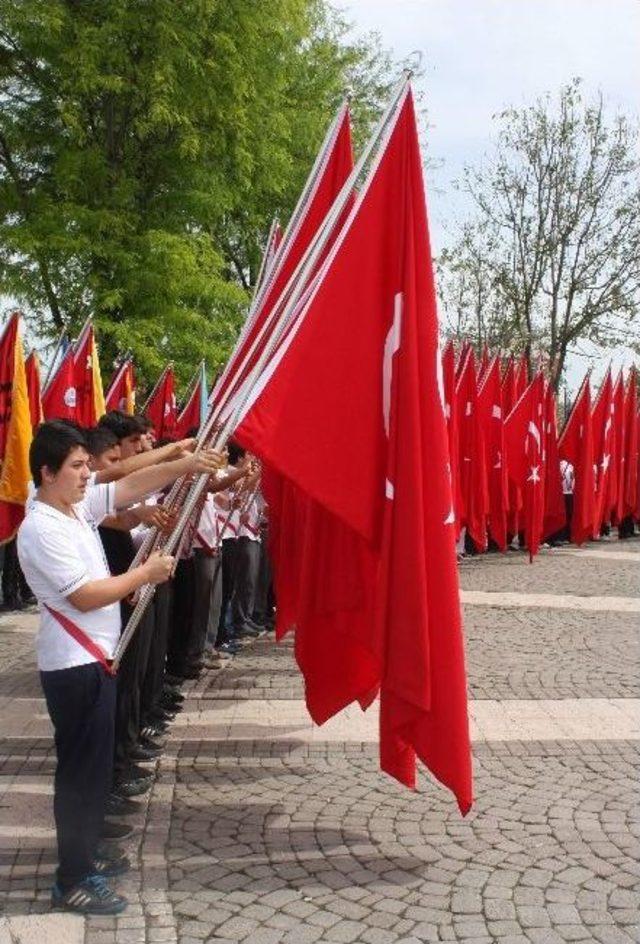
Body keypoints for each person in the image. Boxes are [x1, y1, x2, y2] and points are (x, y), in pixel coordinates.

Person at [17, 420, 221, 915]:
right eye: (77, 467)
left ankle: (84, 856)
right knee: (82, 777)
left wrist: (186, 463)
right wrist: (142, 574)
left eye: (88, 465)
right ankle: (73, 878)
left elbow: (128, 484)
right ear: (46, 473)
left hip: (95, 660)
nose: (88, 475)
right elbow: (83, 596)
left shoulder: (73, 509)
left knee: (93, 772)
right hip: (75, 666)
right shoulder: (41, 526)